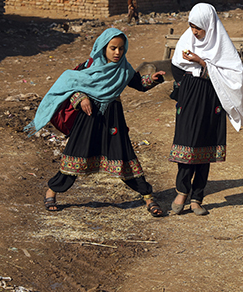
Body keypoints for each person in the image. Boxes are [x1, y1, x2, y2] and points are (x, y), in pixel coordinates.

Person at [26, 28, 166, 217]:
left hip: (113, 120)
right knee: (76, 155)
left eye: (121, 48)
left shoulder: (124, 68)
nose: (117, 52)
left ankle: (148, 196)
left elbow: (139, 84)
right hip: (88, 118)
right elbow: (70, 85)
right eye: (113, 48)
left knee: (124, 156)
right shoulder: (88, 66)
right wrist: (81, 98)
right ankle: (52, 191)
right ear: (103, 47)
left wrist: (153, 80)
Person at [168, 3, 243, 216]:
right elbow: (176, 66)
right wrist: (184, 88)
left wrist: (201, 62)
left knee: (204, 148)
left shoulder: (221, 45)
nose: (194, 31)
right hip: (190, 97)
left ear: (210, 26)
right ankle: (181, 192)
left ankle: (197, 198)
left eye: (199, 27)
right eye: (192, 26)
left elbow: (233, 73)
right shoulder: (186, 40)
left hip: (211, 98)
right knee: (186, 144)